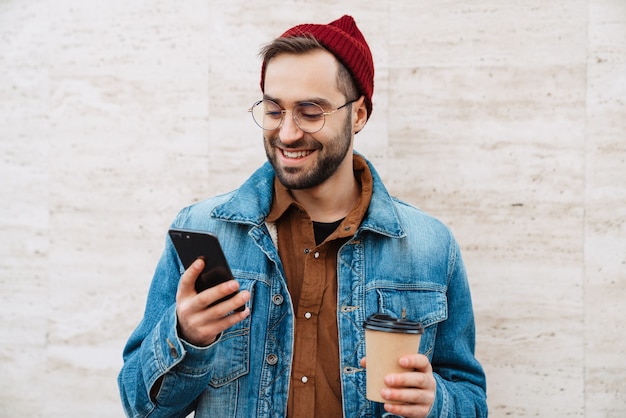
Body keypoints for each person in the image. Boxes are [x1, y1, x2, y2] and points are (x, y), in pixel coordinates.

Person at [118, 15, 487, 418]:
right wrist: (186, 337)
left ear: (359, 113)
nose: (288, 133)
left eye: (311, 112)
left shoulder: (430, 245)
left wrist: (437, 403)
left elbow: (469, 398)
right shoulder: (204, 231)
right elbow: (141, 409)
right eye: (274, 110)